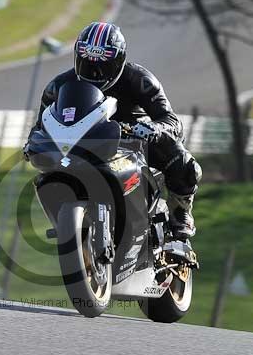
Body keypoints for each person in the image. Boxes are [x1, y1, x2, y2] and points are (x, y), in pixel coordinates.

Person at [29, 21, 201, 239]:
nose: (94, 70)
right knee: (47, 175)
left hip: (135, 142)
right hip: (84, 146)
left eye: (102, 65)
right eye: (87, 62)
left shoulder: (140, 80)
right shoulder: (59, 86)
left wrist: (153, 129)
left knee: (181, 159)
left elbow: (171, 121)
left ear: (119, 60)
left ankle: (181, 212)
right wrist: (33, 143)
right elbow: (42, 124)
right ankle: (72, 232)